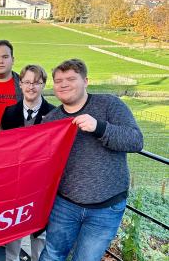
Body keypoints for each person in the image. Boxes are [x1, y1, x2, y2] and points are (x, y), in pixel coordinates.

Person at [39, 59, 143, 261]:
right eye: (58, 80)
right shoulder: (51, 119)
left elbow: (135, 141)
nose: (64, 84)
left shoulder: (109, 104)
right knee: (52, 255)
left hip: (106, 207)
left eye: (71, 79)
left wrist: (100, 128)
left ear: (85, 81)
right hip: (64, 204)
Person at [0, 65, 56, 261]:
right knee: (12, 225)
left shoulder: (54, 114)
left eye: (36, 83)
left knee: (39, 232)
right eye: (27, 82)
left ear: (43, 85)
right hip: (14, 184)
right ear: (20, 84)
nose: (31, 87)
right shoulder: (9, 112)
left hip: (41, 185)